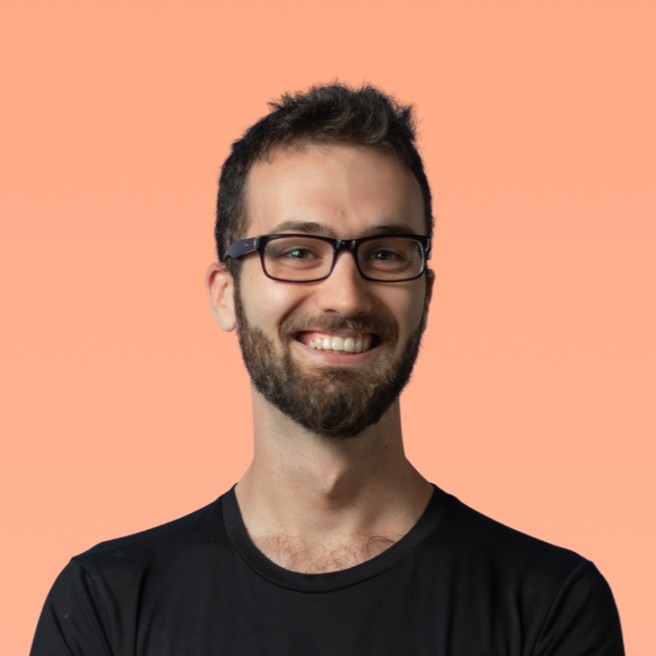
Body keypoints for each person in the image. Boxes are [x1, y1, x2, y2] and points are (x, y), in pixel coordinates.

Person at [31, 84, 624, 655]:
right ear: (225, 294)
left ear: (425, 295)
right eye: (296, 251)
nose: (345, 296)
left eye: (385, 254)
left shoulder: (550, 604)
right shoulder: (106, 604)